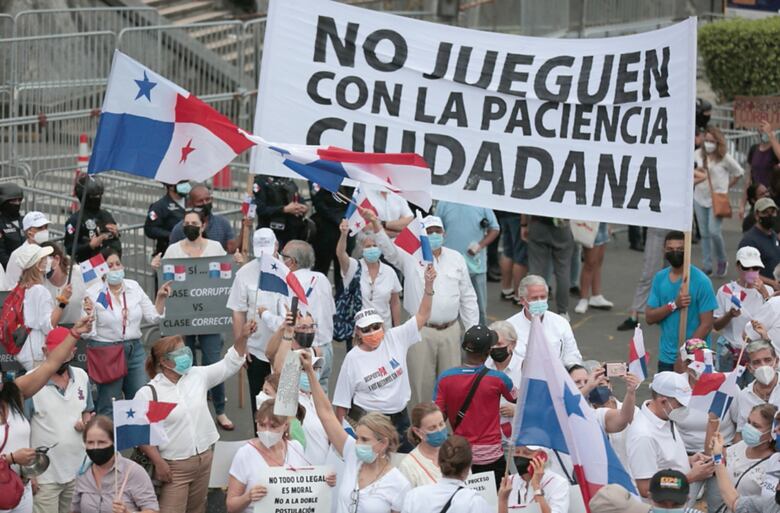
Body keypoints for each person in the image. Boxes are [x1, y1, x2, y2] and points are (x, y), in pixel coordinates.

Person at [134, 320, 254, 513]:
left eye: (186, 351)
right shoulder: (149, 393)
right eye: (179, 354)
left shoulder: (197, 376)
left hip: (204, 460)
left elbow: (229, 363)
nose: (186, 356)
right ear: (164, 362)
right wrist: (159, 463)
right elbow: (140, 433)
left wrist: (244, 337)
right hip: (173, 468)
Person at [368, 211, 479, 407]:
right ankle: (420, 432)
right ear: (423, 234)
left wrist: (473, 330)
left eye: (438, 231)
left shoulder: (456, 258)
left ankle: (446, 431)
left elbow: (468, 296)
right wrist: (377, 225)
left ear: (444, 234)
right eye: (430, 231)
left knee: (451, 385)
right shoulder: (409, 256)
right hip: (420, 331)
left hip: (450, 331)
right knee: (421, 386)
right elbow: (388, 249)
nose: (434, 235)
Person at [332, 263, 435, 452]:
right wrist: (338, 439)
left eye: (376, 327)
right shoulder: (352, 358)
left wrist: (429, 287)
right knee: (374, 464)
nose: (373, 332)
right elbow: (341, 402)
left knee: (405, 463)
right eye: (366, 329)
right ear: (358, 333)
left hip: (400, 418)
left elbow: (422, 315)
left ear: (382, 326)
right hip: (371, 422)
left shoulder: (395, 338)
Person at [158, 209, 241, 431]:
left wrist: (236, 263)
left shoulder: (215, 248)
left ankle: (220, 411)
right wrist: (157, 267)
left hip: (210, 319)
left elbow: (226, 276)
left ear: (202, 226)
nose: (190, 226)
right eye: (186, 223)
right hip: (183, 318)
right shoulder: (174, 250)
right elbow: (165, 279)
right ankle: (190, 409)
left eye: (194, 222)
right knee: (185, 361)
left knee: (214, 362)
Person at [299, 350, 412, 513]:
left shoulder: (399, 484)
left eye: (365, 440)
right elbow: (327, 415)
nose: (358, 443)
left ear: (383, 443)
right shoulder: (352, 453)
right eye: (358, 437)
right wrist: (310, 371)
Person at [0, 317, 92, 513]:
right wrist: (11, 459)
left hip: (19, 488)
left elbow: (50, 365)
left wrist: (75, 333)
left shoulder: (14, 392)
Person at [84, 250, 170, 416]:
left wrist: (160, 298)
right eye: (110, 265)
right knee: (110, 403)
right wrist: (89, 316)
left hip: (134, 350)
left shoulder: (133, 286)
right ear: (102, 270)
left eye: (118, 264)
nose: (115, 268)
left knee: (139, 399)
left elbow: (153, 317)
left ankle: (138, 441)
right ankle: (108, 441)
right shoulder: (93, 293)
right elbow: (88, 333)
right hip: (107, 351)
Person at [434, 325, 516, 484]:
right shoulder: (499, 379)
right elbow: (519, 398)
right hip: (491, 456)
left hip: (460, 455)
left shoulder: (445, 378)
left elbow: (438, 415)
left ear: (464, 349)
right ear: (488, 353)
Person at [226, 398, 335, 513]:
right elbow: (231, 507)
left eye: (273, 426)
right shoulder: (245, 455)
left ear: (285, 426)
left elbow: (304, 488)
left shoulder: (296, 448)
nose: (266, 431)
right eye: (262, 425)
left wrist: (325, 482)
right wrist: (248, 497)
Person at [29, 328, 94, 513]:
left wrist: (87, 422)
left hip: (78, 471)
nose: (59, 357)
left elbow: (87, 410)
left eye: (63, 352)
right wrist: (29, 474)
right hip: (44, 477)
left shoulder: (82, 376)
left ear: (73, 351)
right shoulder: (30, 381)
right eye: (54, 351)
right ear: (44, 351)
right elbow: (20, 430)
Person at [226, 228, 288, 421]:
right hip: (256, 351)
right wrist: (241, 346)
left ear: (276, 246)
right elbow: (237, 311)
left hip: (284, 351)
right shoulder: (244, 273)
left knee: (286, 405)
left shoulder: (287, 273)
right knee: (259, 406)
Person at [625, 372, 714, 500]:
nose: (685, 409)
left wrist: (689, 460)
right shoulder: (643, 436)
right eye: (681, 405)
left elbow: (664, 462)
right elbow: (646, 488)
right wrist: (689, 477)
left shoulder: (666, 417)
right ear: (663, 402)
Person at [645, 230, 717, 372]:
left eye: (680, 249)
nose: (675, 252)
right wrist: (674, 305)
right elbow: (650, 317)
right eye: (670, 249)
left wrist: (685, 355)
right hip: (666, 358)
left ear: (688, 250)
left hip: (695, 358)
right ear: (664, 250)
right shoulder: (660, 278)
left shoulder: (702, 281)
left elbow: (707, 325)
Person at [71, 415, 159, 513]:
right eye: (90, 443)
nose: (95, 447)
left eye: (101, 442)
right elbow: (75, 509)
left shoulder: (133, 472)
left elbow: (152, 509)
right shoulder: (83, 473)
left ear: (114, 442)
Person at [281, 239, 336, 390]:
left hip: (301, 351)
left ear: (291, 261)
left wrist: (263, 313)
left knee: (297, 400)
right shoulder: (323, 279)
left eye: (282, 255)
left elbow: (283, 321)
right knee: (321, 396)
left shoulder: (288, 282)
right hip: (325, 348)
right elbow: (331, 311)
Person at [436, 201, 500, 326]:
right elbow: (435, 228)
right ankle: (453, 339)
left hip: (476, 267)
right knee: (449, 306)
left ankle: (480, 340)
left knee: (479, 309)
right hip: (450, 267)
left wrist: (479, 246)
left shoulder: (481, 202)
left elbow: (495, 229)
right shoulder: (444, 202)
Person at [693, 125, 744, 276]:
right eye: (706, 140)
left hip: (717, 199)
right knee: (704, 233)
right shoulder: (697, 154)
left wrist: (727, 186)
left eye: (712, 141)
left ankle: (722, 260)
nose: (708, 143)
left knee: (714, 231)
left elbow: (739, 172)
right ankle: (707, 264)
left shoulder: (724, 158)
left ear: (718, 142)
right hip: (699, 197)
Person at [14, 244, 72, 370]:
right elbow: (49, 326)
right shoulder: (40, 291)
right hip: (37, 351)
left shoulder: (23, 287)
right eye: (45, 258)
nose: (48, 261)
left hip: (26, 349)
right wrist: (63, 300)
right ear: (38, 265)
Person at [714, 246, 772, 372]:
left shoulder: (768, 291)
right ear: (738, 266)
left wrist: (765, 294)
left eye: (755, 268)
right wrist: (729, 315)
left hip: (758, 353)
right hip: (730, 350)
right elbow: (716, 326)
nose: (751, 271)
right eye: (746, 268)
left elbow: (774, 320)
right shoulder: (726, 291)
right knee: (727, 390)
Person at [400, 435, 492, 513]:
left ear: (439, 462)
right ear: (468, 467)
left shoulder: (414, 497)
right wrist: (503, 501)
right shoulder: (474, 502)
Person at [336, 219, 401, 328]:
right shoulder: (353, 267)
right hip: (359, 331)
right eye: (368, 246)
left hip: (384, 331)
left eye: (375, 246)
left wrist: (398, 329)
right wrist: (343, 235)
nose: (372, 249)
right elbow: (340, 254)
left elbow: (395, 303)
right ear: (362, 249)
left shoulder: (389, 272)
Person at [506, 275, 583, 366]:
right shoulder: (509, 328)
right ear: (522, 300)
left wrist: (574, 368)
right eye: (534, 298)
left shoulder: (561, 323)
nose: (539, 301)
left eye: (543, 297)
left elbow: (572, 354)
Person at [713, 419, 780, 513]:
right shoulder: (775, 460)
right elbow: (734, 502)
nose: (776, 430)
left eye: (756, 425)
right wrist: (717, 457)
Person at [522, 215, 575, 318]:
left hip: (538, 223)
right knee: (563, 270)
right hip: (561, 225)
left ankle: (536, 309)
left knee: (536, 269)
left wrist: (523, 224)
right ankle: (562, 311)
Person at [617, 227, 669, 331]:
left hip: (677, 227)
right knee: (648, 273)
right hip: (657, 227)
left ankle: (666, 312)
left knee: (672, 273)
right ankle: (634, 315)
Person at [64, 175, 121, 263]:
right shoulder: (75, 220)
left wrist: (116, 234)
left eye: (99, 196)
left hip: (110, 264)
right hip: (89, 266)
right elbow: (70, 248)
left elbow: (115, 241)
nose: (97, 199)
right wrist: (90, 245)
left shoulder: (106, 215)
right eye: (94, 197)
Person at [485, 320, 522, 445]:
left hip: (516, 439)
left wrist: (518, 410)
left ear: (512, 345)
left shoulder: (525, 369)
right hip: (487, 436)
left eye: (499, 344)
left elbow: (540, 404)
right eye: (492, 344)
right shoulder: (483, 367)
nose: (495, 348)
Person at [169, 184, 236, 253]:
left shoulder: (223, 223)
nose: (205, 203)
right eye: (200, 201)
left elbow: (231, 250)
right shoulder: (180, 228)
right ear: (190, 204)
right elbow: (172, 254)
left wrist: (244, 227)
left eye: (207, 199)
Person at [504, 445, 570, 513]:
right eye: (517, 452)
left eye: (527, 453)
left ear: (542, 457)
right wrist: (502, 499)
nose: (520, 457)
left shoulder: (558, 483)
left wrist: (536, 487)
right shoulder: (509, 482)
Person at [731, 340, 780, 431]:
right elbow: (741, 431)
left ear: (776, 361)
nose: (763, 366)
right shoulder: (744, 396)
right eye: (757, 362)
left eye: (768, 360)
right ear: (749, 368)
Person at [311, 183, 349, 292]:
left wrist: (345, 218)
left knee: (342, 273)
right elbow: (318, 202)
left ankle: (341, 302)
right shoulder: (322, 180)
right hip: (325, 234)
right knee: (321, 270)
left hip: (344, 234)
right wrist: (338, 219)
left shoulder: (350, 183)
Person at [397, 403, 447, 487]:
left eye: (441, 424)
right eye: (432, 428)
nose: (439, 430)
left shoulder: (456, 451)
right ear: (417, 431)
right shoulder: (408, 466)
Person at [253, 174, 308, 248]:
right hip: (270, 232)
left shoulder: (287, 179)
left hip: (290, 231)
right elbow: (261, 210)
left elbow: (297, 196)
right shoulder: (261, 180)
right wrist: (284, 209)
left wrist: (302, 207)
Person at [40, 242, 88, 326]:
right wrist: (63, 299)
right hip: (55, 331)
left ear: (57, 259)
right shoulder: (40, 286)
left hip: (79, 329)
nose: (43, 266)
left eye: (45, 261)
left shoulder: (79, 272)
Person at [739, 197, 780, 291]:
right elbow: (747, 273)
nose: (770, 216)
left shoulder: (773, 234)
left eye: (772, 212)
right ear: (757, 215)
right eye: (765, 212)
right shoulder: (749, 241)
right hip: (760, 293)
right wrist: (773, 283)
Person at [3, 211, 52, 290]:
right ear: (29, 233)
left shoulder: (48, 250)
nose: (44, 230)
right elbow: (10, 285)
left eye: (46, 227)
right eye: (39, 228)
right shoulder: (17, 255)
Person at [741, 120, 780, 217]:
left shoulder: (775, 150)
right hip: (756, 199)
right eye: (762, 129)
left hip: (771, 200)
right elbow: (749, 178)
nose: (764, 132)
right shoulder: (754, 149)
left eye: (766, 129)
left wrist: (771, 135)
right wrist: (742, 203)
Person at [574, 223, 614, 314]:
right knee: (590, 263)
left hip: (602, 223)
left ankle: (596, 295)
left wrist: (608, 223)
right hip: (590, 224)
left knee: (598, 261)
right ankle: (583, 299)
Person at [144, 180, 188, 259]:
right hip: (169, 251)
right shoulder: (159, 206)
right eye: (182, 183)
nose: (186, 185)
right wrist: (170, 235)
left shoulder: (192, 201)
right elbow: (150, 229)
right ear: (171, 186)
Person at [496, 211, 527, 305]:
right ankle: (518, 295)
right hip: (518, 215)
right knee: (521, 255)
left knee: (508, 251)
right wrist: (524, 223)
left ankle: (506, 289)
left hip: (504, 211)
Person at [0, 183, 24, 271]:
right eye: (13, 201)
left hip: (28, 271)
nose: (17, 203)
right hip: (8, 272)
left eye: (19, 200)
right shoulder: (1, 224)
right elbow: (1, 253)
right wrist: (14, 269)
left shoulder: (24, 220)